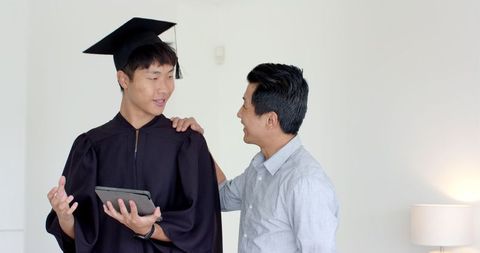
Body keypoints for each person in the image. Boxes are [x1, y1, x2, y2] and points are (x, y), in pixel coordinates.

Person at [46, 17, 222, 253]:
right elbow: (80, 239)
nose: (164, 88)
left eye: (170, 76)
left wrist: (148, 229)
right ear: (123, 79)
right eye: (153, 77)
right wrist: (64, 217)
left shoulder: (187, 142)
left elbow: (203, 229)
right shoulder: (91, 146)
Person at [172, 63, 339, 253]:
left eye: (245, 105)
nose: (239, 113)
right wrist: (199, 143)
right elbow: (221, 197)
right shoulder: (260, 167)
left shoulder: (306, 183)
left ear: (270, 120)